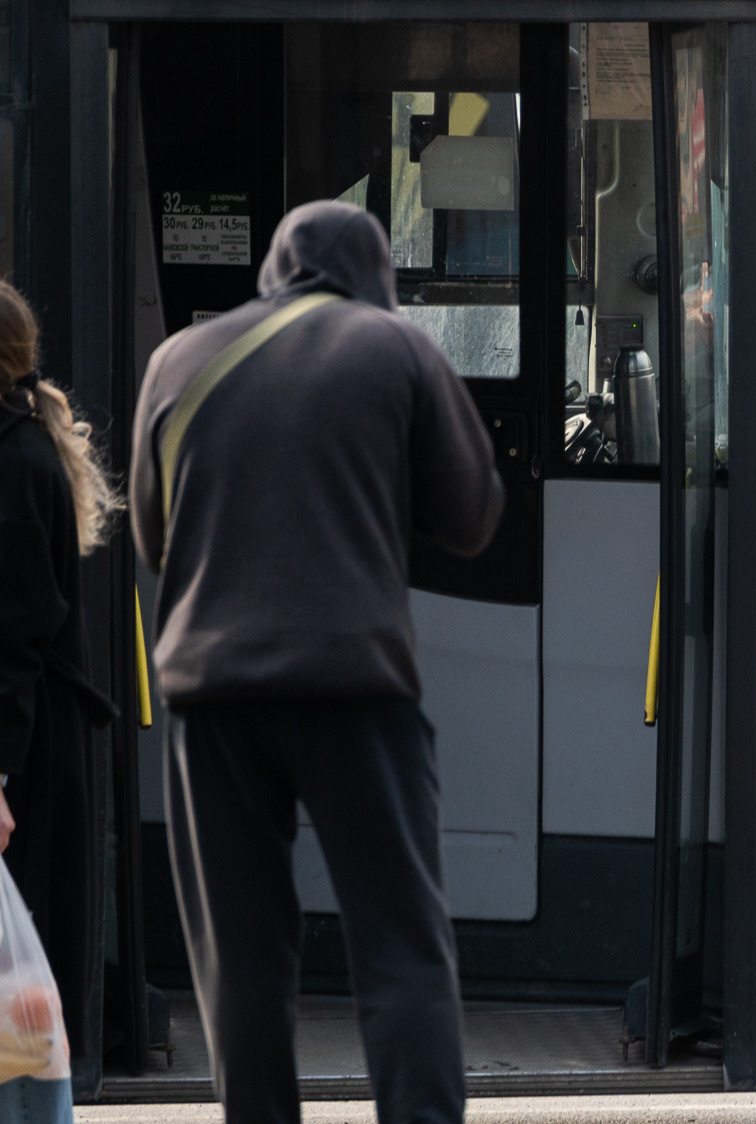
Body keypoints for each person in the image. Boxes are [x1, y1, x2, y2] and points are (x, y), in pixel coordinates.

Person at [130, 201, 504, 1124]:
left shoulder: (177, 360)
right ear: (375, 271)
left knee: (242, 964)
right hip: (354, 688)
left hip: (211, 699)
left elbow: (152, 537)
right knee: (400, 947)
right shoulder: (395, 349)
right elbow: (472, 515)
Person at [0, 279, 118, 1123]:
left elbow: (13, 641)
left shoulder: (10, 461)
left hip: (24, 760)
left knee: (19, 990)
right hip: (35, 749)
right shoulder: (25, 448)